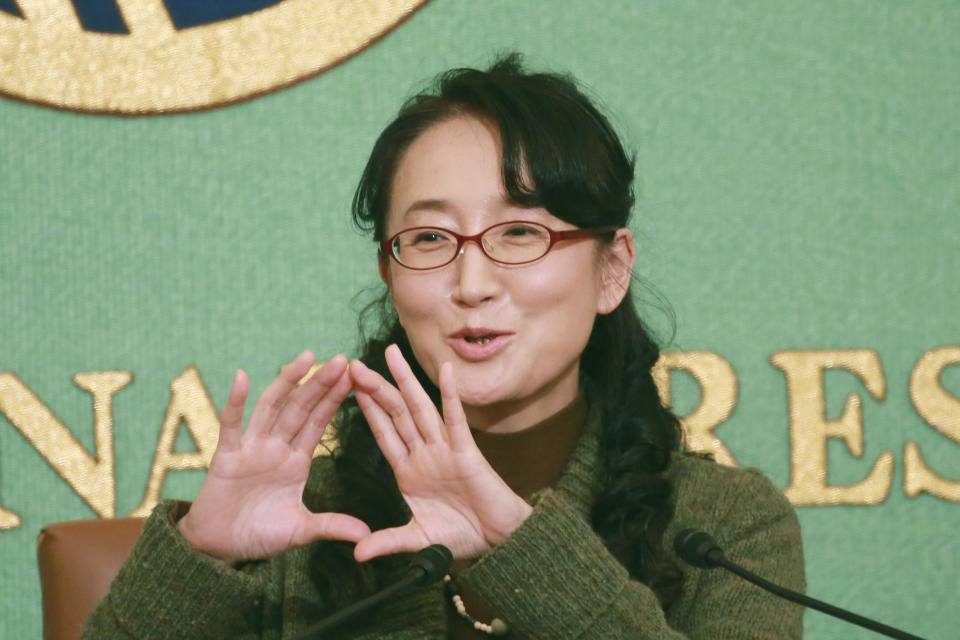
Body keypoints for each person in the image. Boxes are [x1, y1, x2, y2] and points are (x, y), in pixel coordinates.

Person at [82, 54, 804, 639]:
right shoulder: (301, 519)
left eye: (520, 232)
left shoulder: (723, 525)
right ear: (390, 275)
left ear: (611, 269)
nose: (472, 281)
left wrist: (526, 555)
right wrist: (203, 560)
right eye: (429, 238)